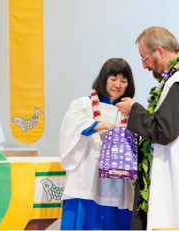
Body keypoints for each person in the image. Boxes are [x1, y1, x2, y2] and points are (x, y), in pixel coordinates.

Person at [116, 26, 179, 230]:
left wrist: (134, 110)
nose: (144, 66)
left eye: (145, 58)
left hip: (176, 184)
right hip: (176, 176)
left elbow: (164, 131)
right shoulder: (176, 81)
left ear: (159, 50)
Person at [59, 58, 136, 230]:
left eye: (123, 81)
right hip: (86, 179)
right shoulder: (83, 104)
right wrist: (102, 125)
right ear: (104, 79)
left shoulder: (130, 111)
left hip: (117, 183)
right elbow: (74, 122)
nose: (118, 84)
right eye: (113, 79)